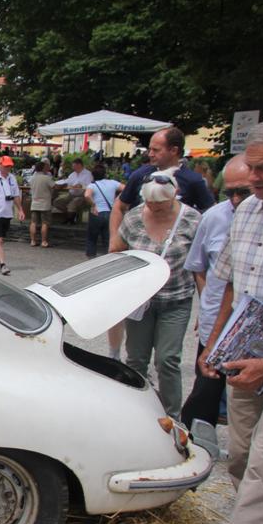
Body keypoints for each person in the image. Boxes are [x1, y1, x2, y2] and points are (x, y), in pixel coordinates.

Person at [199, 122, 263, 524]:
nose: (255, 177)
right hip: (244, 355)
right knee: (238, 456)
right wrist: (213, 344)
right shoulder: (245, 215)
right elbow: (227, 288)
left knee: (262, 466)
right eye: (252, 168)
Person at [106, 127, 216, 360]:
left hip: (174, 280)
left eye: (156, 149)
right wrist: (115, 239)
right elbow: (119, 206)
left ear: (174, 150)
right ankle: (115, 354)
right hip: (141, 279)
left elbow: (210, 219)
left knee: (167, 358)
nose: (150, 154)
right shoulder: (140, 174)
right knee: (135, 351)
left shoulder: (193, 181)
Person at [109, 171, 201, 418]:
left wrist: (207, 310)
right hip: (141, 302)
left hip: (176, 300)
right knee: (136, 359)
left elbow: (202, 268)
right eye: (150, 204)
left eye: (160, 205)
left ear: (174, 196)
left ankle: (172, 416)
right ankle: (134, 412)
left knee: (167, 359)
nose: (154, 209)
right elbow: (116, 251)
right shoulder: (135, 218)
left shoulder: (192, 220)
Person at [180, 155, 253, 429]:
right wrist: (206, 303)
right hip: (217, 318)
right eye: (229, 192)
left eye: (242, 192)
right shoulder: (213, 217)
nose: (235, 200)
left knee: (242, 396)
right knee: (206, 388)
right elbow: (199, 267)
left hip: (250, 326)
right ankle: (197, 441)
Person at [83, 163, 123, 258]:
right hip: (110, 212)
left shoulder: (92, 185)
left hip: (96, 212)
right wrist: (118, 199)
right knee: (108, 237)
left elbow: (87, 195)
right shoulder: (113, 183)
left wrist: (93, 205)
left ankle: (91, 256)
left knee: (92, 237)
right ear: (105, 174)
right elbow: (126, 188)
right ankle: (108, 256)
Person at [52, 158, 93, 224]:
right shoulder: (72, 174)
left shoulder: (88, 174)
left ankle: (70, 220)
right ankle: (71, 215)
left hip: (82, 195)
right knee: (57, 202)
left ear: (79, 165)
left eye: (74, 166)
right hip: (71, 194)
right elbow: (67, 182)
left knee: (72, 204)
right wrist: (62, 184)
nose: (72, 167)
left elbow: (90, 186)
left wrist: (81, 186)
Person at [28, 159, 55, 248]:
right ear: (43, 168)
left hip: (34, 202)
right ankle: (43, 241)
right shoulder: (47, 178)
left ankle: (32, 241)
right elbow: (54, 186)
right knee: (45, 223)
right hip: (45, 203)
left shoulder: (32, 178)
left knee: (33, 222)